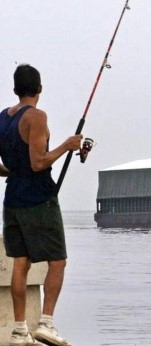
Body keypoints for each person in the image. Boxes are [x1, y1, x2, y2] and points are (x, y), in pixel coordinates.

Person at [0, 64, 82, 346]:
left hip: (12, 199)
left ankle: (20, 330)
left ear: (14, 89)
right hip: (39, 199)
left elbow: (9, 165)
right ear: (40, 89)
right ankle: (46, 323)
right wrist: (67, 146)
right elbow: (38, 163)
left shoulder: (3, 118)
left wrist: (14, 171)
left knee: (20, 263)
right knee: (58, 260)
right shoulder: (36, 116)